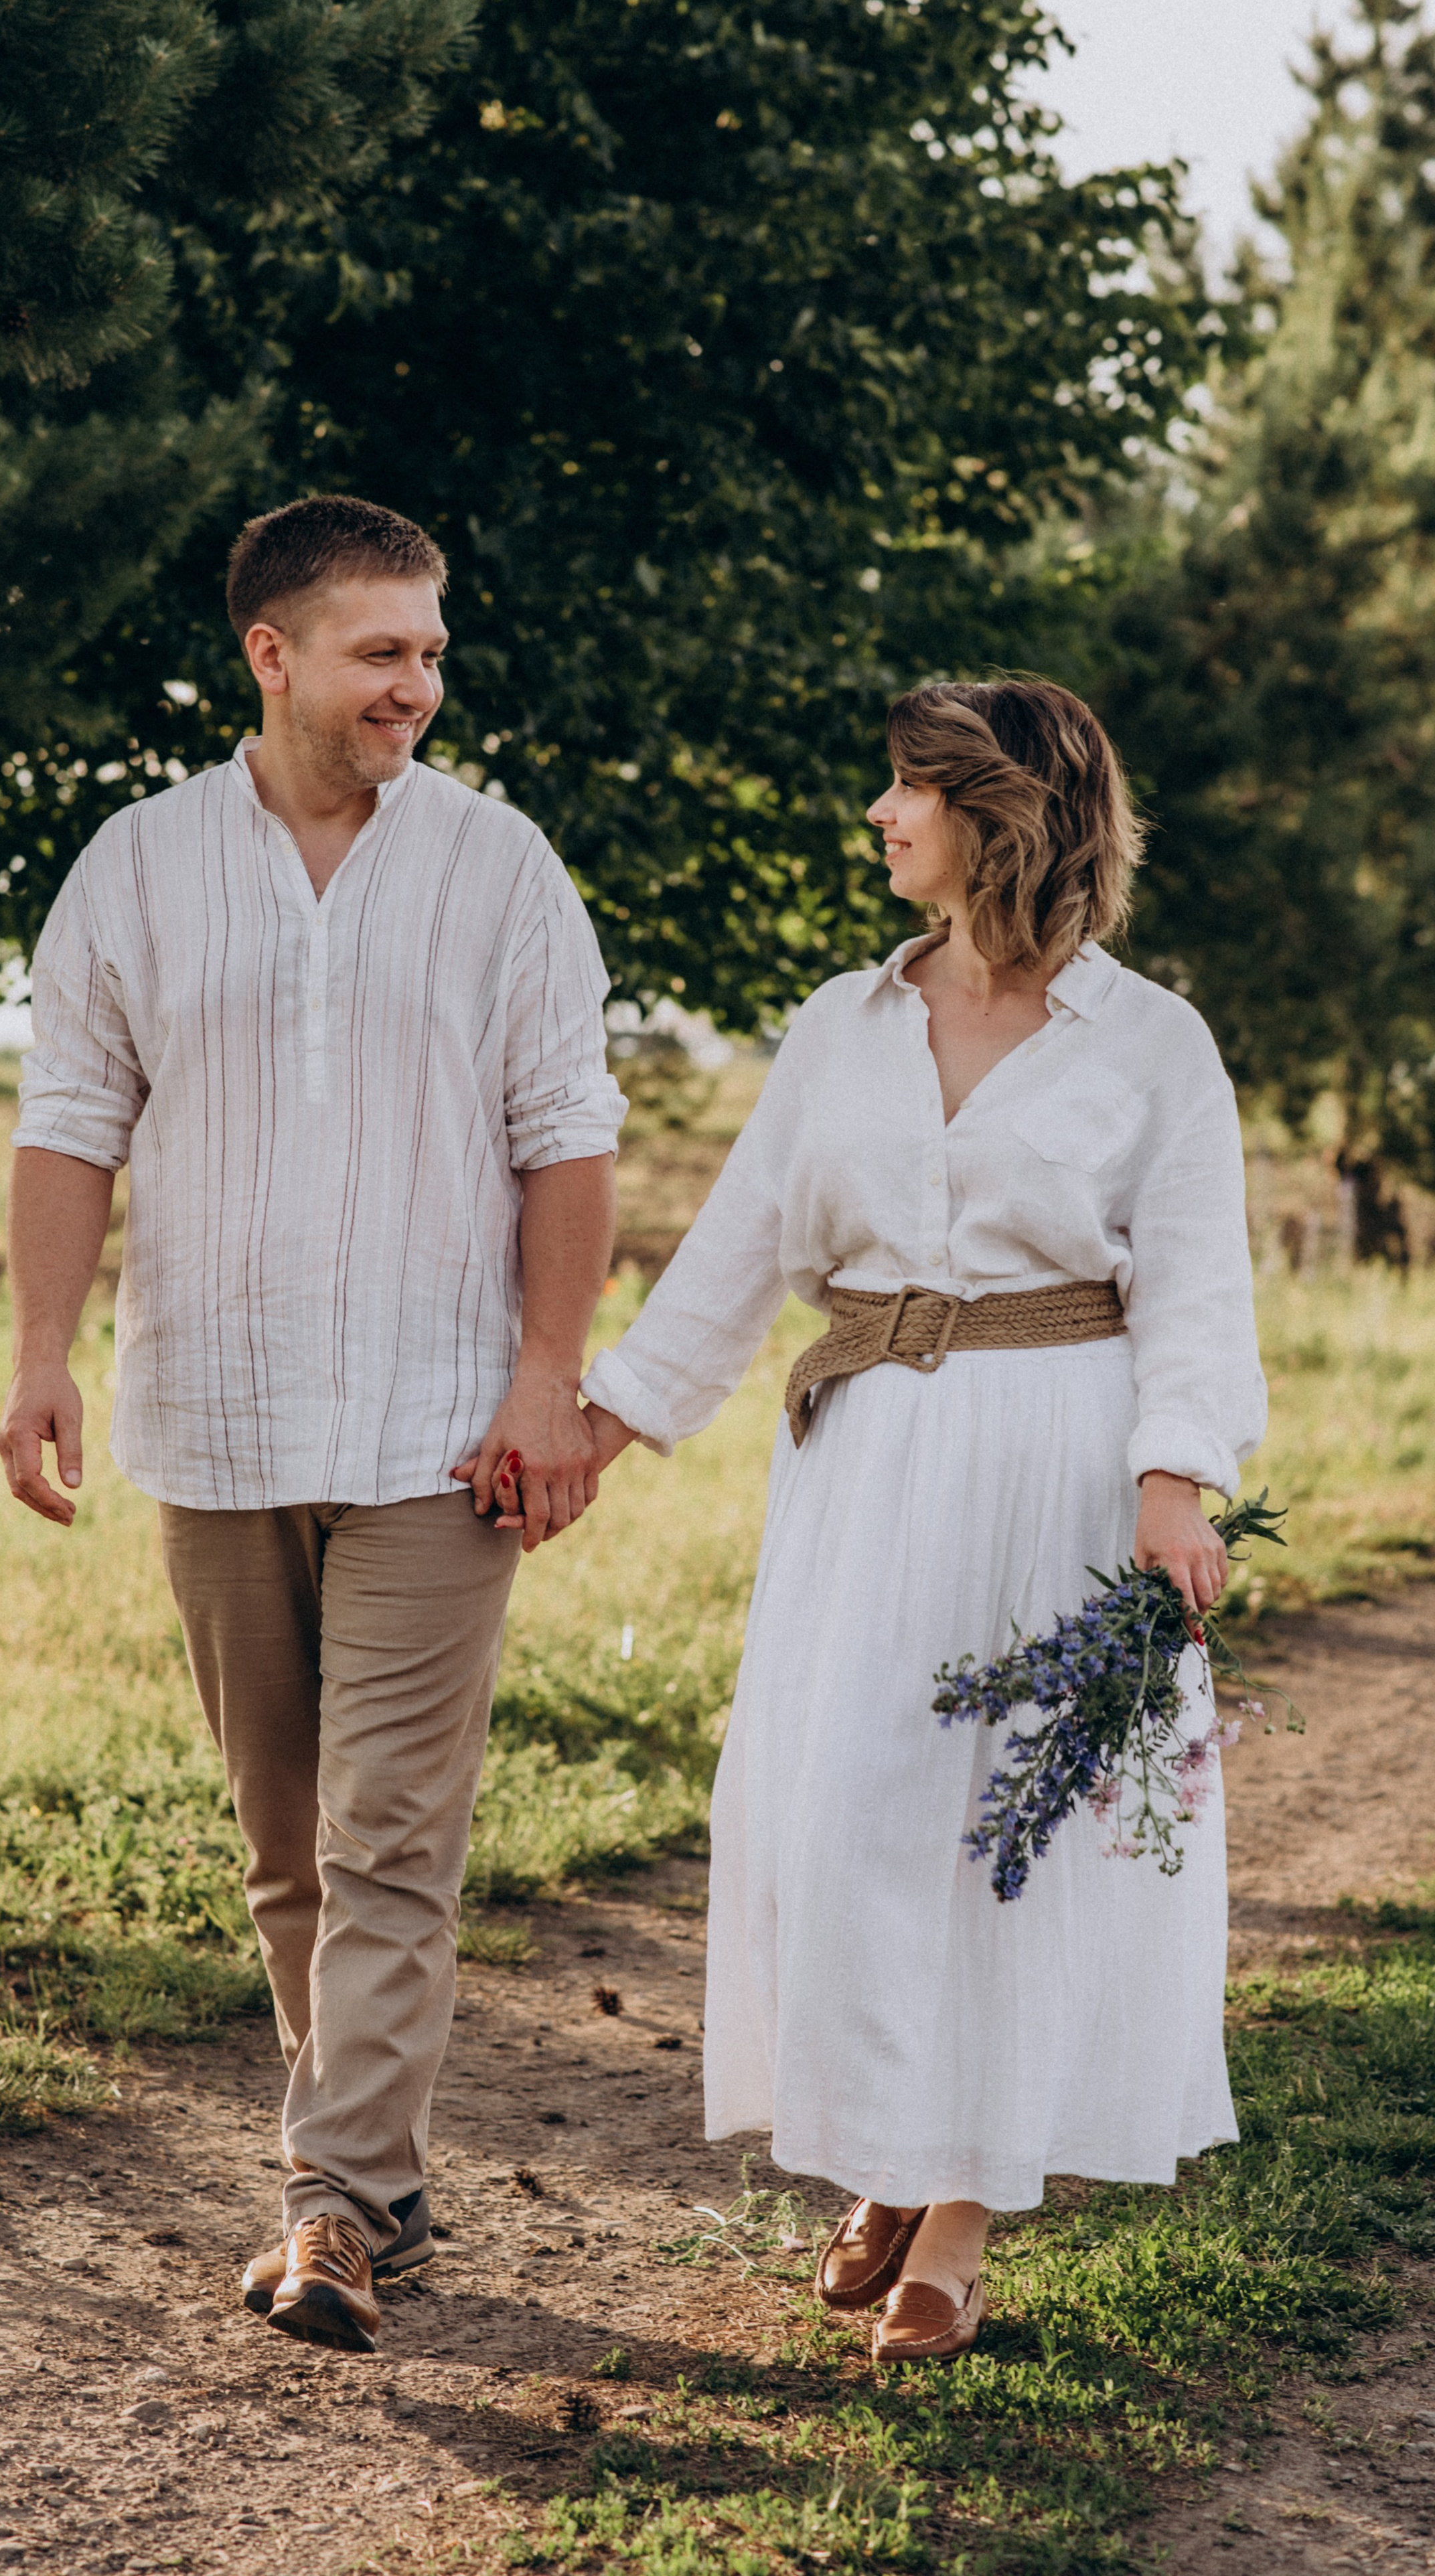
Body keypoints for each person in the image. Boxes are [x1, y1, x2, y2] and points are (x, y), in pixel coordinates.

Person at [0, 494, 625, 2354]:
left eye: (432, 651)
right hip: (214, 1413)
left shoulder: (502, 868)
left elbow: (567, 1138)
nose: (418, 685)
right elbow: (68, 1117)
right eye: (382, 652)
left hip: (443, 1432)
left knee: (390, 1837)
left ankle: (333, 2204)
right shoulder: (138, 864)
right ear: (271, 655)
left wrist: (546, 1375)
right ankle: (381, 2177)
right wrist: (42, 1352)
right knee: (285, 1844)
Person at [579, 677, 1266, 2363]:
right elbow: (737, 1248)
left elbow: (1192, 1282)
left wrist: (1171, 1487)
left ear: (996, 814)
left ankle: (953, 2212)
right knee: (835, 1819)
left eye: (905, 791)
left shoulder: (1150, 1042)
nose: (877, 819)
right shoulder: (840, 1023)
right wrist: (597, 1422)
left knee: (1010, 1843)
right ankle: (893, 2139)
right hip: (866, 1457)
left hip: (1056, 1457)